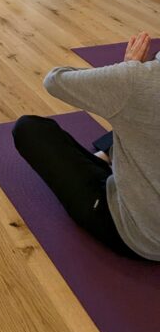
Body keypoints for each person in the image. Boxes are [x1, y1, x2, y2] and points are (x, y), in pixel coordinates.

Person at [12, 31, 160, 260]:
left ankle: (106, 157)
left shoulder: (137, 80)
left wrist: (128, 67)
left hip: (142, 237)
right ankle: (107, 155)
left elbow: (55, 80)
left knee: (28, 129)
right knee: (137, 118)